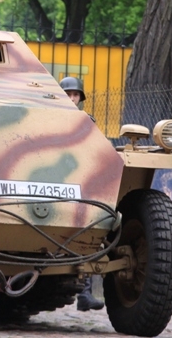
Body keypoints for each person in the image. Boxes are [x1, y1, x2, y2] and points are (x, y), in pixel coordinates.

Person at [59, 77, 103, 312]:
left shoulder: (87, 121)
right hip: (54, 180)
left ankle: (84, 292)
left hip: (78, 182)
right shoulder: (49, 117)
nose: (72, 98)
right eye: (68, 94)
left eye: (76, 95)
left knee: (89, 234)